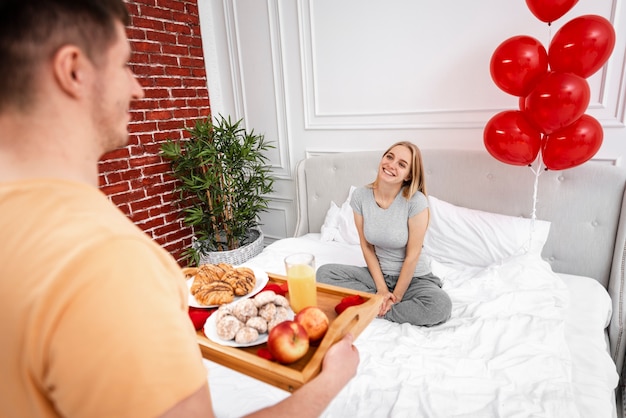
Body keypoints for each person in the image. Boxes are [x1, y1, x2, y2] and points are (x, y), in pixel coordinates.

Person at [0, 1, 359, 417]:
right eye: (124, 65)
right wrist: (329, 382)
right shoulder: (105, 260)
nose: (137, 88)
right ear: (74, 70)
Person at [317, 141, 452, 327]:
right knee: (324, 274)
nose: (391, 165)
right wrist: (381, 289)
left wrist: (395, 297)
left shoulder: (416, 202)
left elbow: (412, 256)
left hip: (414, 278)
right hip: (377, 276)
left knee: (440, 307)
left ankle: (376, 307)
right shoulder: (361, 196)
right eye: (390, 157)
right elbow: (366, 246)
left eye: (402, 164)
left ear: (409, 175)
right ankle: (379, 302)